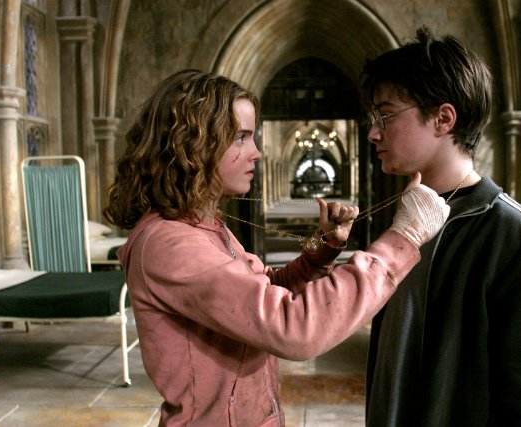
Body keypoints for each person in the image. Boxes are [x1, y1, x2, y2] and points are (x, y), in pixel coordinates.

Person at [103, 69, 450, 427]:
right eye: (241, 138)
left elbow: (264, 290)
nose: (256, 153)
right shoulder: (170, 243)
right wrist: (403, 238)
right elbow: (293, 328)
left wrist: (323, 249)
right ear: (192, 143)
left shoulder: (203, 226)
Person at [360, 26, 521, 426]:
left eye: (385, 115)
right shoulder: (410, 217)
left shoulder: (510, 232)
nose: (373, 132)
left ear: (443, 118)